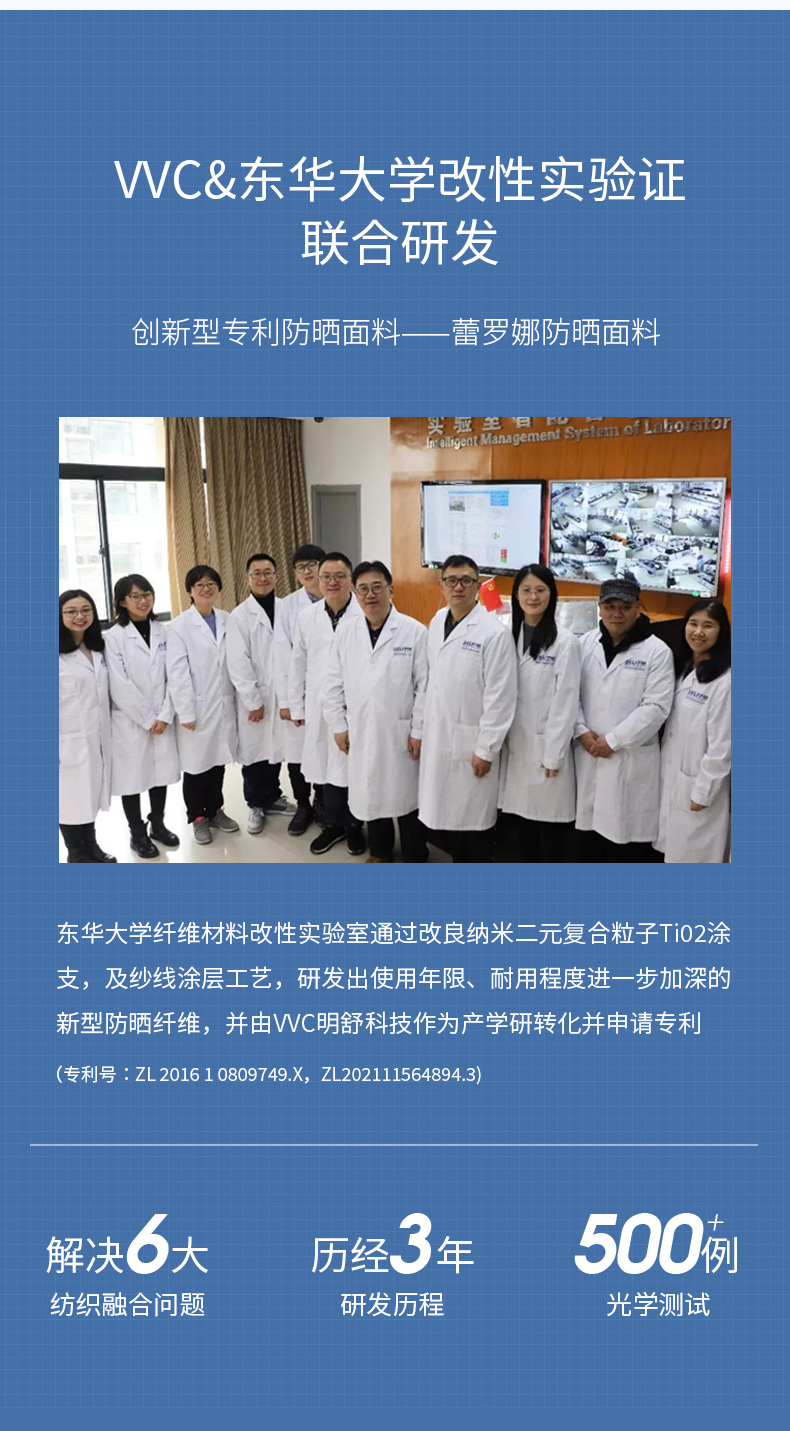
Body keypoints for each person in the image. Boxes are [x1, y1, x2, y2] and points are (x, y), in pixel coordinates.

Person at [323, 561, 429, 863]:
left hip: (401, 731)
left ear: (390, 589)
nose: (370, 595)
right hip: (360, 728)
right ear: (356, 594)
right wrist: (339, 725)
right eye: (364, 589)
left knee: (407, 798)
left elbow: (424, 687)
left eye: (377, 587)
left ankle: (415, 855)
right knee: (372, 791)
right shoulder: (346, 632)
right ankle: (381, 851)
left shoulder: (413, 631)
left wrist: (418, 731)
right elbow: (332, 682)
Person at [418, 555, 517, 863]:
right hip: (440, 736)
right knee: (450, 820)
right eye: (451, 580)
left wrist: (486, 749)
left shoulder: (494, 633)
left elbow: (500, 698)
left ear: (477, 586)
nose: (458, 587)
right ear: (441, 585)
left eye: (466, 581)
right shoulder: (437, 621)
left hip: (472, 743)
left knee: (474, 824)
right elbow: (432, 680)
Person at [574, 576, 675, 862]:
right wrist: (581, 730)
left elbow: (655, 707)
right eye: (610, 606)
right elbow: (570, 694)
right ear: (599, 608)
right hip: (588, 755)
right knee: (588, 848)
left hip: (628, 762)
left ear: (638, 608)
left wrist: (613, 741)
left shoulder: (657, 651)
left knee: (624, 851)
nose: (617, 614)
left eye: (625, 607)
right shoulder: (584, 644)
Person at [497, 564, 581, 863]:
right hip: (515, 749)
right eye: (526, 590)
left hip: (546, 750)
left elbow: (566, 701)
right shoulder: (506, 637)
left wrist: (554, 754)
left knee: (549, 832)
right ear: (516, 595)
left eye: (540, 590)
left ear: (551, 595)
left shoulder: (565, 642)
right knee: (522, 829)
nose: (533, 597)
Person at [288, 552, 367, 857]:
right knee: (325, 768)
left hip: (356, 704)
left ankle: (355, 826)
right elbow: (298, 662)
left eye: (340, 576)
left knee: (353, 767)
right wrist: (296, 706)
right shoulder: (307, 617)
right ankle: (333, 825)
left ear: (351, 580)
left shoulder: (364, 612)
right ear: (318, 581)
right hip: (319, 705)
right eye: (326, 577)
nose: (333, 582)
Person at [104, 574, 180, 858]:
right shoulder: (113, 637)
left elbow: (175, 676)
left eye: (147, 594)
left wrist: (166, 714)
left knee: (159, 774)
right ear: (122, 602)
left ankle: (158, 825)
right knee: (132, 779)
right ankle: (137, 833)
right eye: (135, 596)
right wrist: (149, 719)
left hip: (163, 715)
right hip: (131, 721)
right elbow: (119, 685)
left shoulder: (164, 632)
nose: (143, 600)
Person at [166, 565, 240, 846]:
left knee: (218, 761)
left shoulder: (227, 619)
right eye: (199, 585)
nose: (206, 589)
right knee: (197, 767)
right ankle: (198, 817)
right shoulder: (179, 626)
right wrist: (185, 711)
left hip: (223, 704)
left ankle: (216, 810)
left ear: (219, 589)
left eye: (211, 584)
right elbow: (177, 672)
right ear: (190, 591)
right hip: (196, 707)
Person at [655, 599, 731, 863]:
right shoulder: (682, 666)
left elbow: (722, 747)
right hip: (673, 781)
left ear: (721, 632)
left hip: (698, 789)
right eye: (693, 623)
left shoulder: (726, 681)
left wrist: (703, 792)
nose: (698, 632)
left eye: (708, 626)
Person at [226, 553, 289, 835]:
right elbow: (237, 662)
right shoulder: (240, 616)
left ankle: (273, 797)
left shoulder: (287, 609)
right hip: (256, 695)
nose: (262, 578)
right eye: (257, 573)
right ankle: (255, 804)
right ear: (247, 579)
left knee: (275, 748)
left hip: (282, 693)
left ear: (277, 576)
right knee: (254, 753)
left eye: (267, 572)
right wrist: (252, 700)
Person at [59, 589, 116, 863]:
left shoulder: (97, 648)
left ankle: (91, 845)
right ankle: (75, 852)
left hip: (95, 737)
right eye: (71, 611)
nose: (79, 616)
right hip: (65, 741)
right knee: (68, 799)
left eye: (85, 610)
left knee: (89, 794)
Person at [274, 543, 326, 836]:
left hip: (329, 693)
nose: (306, 572)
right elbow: (282, 654)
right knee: (297, 755)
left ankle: (325, 805)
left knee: (327, 751)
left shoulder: (340, 599)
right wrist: (287, 701)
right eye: (300, 567)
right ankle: (303, 805)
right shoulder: (287, 606)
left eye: (312, 565)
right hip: (299, 691)